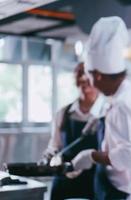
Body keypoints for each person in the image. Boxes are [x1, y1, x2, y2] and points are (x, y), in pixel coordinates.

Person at [70, 16, 131, 200]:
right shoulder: (120, 96)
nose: (89, 84)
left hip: (125, 192)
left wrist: (92, 156)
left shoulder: (124, 103)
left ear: (97, 76)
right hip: (115, 188)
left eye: (88, 77)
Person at [41, 62, 107, 200]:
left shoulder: (105, 114)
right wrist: (50, 156)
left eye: (88, 80)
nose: (84, 84)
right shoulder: (63, 113)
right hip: (65, 179)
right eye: (80, 79)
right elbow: (55, 145)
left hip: (93, 182)